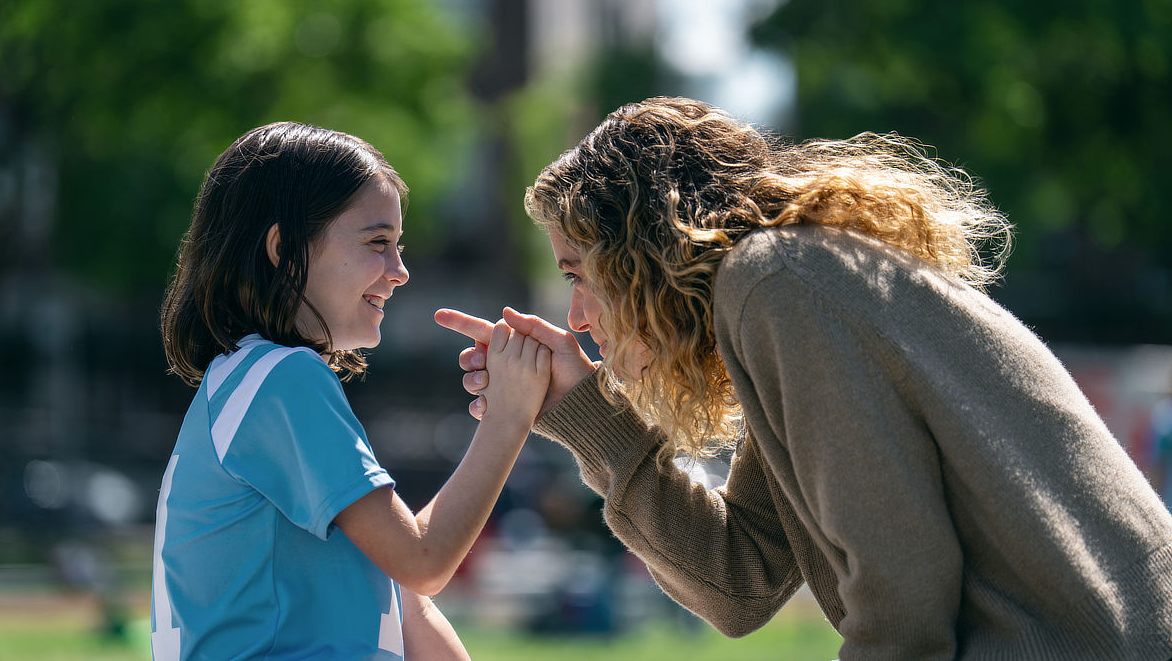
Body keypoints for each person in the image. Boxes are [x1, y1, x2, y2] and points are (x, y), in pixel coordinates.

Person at [436, 97, 1172, 659]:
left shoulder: (779, 283)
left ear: (641, 248)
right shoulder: (780, 289)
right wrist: (583, 410)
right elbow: (740, 580)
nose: (579, 314)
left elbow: (904, 593)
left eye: (580, 273)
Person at [155, 122, 550, 660]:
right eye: (377, 243)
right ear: (283, 247)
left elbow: (408, 605)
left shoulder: (254, 380)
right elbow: (424, 560)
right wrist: (509, 416)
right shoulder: (283, 379)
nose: (401, 271)